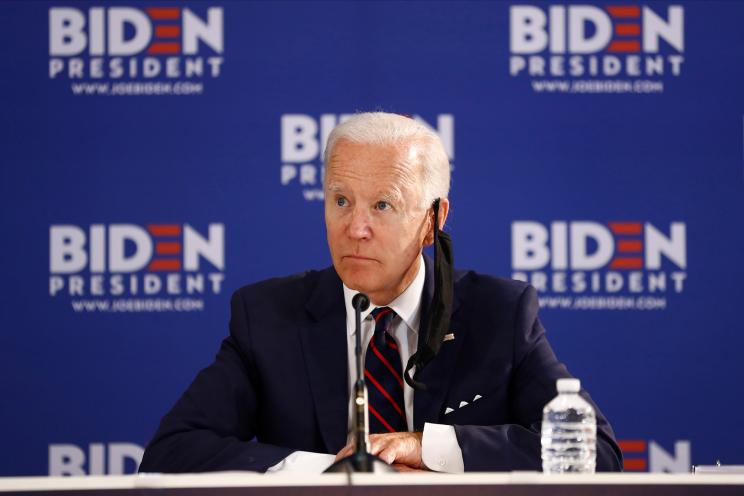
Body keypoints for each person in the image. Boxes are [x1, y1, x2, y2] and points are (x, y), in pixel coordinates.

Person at [139, 112, 623, 473]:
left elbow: (596, 455)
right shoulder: (267, 317)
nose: (356, 228)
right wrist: (327, 471)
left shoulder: (499, 314)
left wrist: (427, 448)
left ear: (433, 221)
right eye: (341, 201)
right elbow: (171, 452)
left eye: (383, 205)